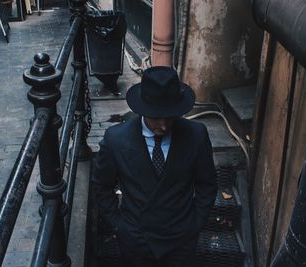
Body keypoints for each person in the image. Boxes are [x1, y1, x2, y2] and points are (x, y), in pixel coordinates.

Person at [91, 66, 217, 266]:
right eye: (156, 117)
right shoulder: (116, 139)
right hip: (136, 241)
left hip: (180, 241)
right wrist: (120, 226)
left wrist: (195, 224)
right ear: (143, 109)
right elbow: (101, 185)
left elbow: (207, 184)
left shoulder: (196, 135)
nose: (164, 125)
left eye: (169, 116)